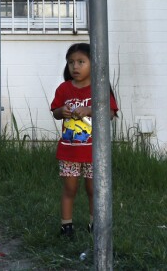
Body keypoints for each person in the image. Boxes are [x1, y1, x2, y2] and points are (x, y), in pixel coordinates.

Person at [49, 42, 118, 238]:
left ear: (93, 64)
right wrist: (61, 111)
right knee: (70, 188)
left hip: (95, 152)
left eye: (81, 62)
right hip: (69, 151)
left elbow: (111, 113)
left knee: (93, 189)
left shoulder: (100, 87)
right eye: (71, 62)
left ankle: (95, 224)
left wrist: (89, 110)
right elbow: (55, 112)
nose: (75, 67)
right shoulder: (64, 89)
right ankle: (66, 225)